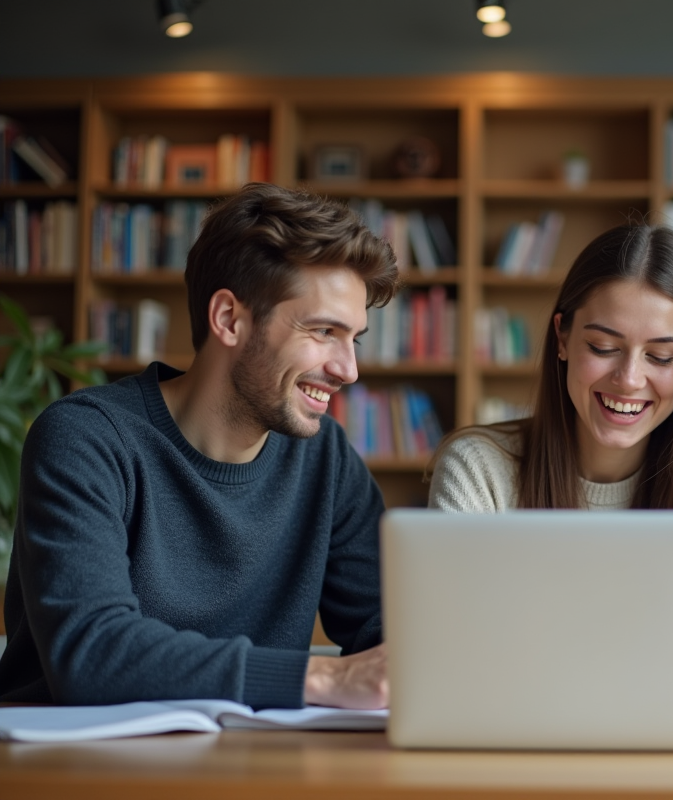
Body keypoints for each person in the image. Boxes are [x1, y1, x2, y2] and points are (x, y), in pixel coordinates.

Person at [0, 183, 398, 710]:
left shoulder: (326, 460)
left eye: (355, 339)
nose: (348, 369)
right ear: (229, 319)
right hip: (69, 766)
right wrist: (324, 679)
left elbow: (386, 630)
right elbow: (90, 651)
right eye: (324, 331)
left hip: (245, 764)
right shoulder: (85, 439)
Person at [428, 224, 673, 715]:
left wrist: (553, 672)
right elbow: (451, 654)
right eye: (602, 347)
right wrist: (657, 678)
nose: (629, 379)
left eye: (661, 356)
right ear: (562, 338)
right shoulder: (479, 468)